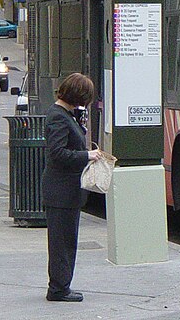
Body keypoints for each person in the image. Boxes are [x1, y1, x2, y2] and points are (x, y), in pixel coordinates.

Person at [42, 73, 102, 303]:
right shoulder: (58, 117)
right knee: (62, 243)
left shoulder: (66, 115)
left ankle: (62, 284)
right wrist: (87, 155)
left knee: (67, 240)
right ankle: (58, 288)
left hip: (66, 192)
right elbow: (57, 153)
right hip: (61, 191)